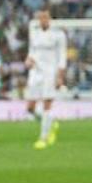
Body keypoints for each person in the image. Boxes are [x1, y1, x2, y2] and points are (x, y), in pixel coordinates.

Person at [25, 9, 67, 149]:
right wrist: (28, 60)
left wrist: (60, 76)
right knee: (30, 108)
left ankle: (43, 138)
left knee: (46, 104)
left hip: (50, 73)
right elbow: (32, 51)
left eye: (45, 17)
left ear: (50, 19)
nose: (43, 20)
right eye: (41, 18)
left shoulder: (58, 35)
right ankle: (51, 123)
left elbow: (62, 56)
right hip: (35, 72)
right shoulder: (34, 32)